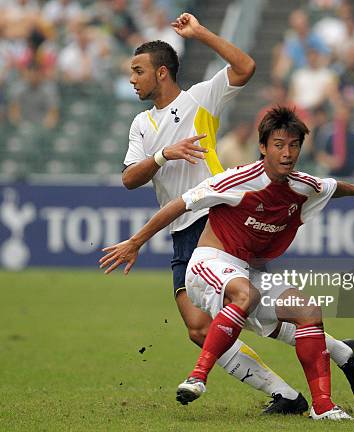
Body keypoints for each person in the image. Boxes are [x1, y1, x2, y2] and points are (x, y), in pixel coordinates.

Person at [102, 106, 354, 420]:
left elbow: (330, 186)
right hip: (207, 264)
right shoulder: (238, 179)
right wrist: (136, 242)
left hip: (246, 270)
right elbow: (181, 204)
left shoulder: (303, 185)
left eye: (293, 146)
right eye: (278, 145)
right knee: (244, 295)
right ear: (263, 147)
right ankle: (198, 377)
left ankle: (324, 407)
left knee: (308, 311)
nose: (287, 153)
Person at [122, 13, 313, 414]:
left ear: (161, 73)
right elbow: (129, 178)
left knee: (243, 311)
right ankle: (309, 378)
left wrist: (199, 33)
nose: (132, 79)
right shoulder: (141, 124)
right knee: (200, 327)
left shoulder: (200, 98)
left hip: (213, 220)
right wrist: (163, 155)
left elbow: (246, 67)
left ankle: (304, 378)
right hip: (180, 229)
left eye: (138, 71)